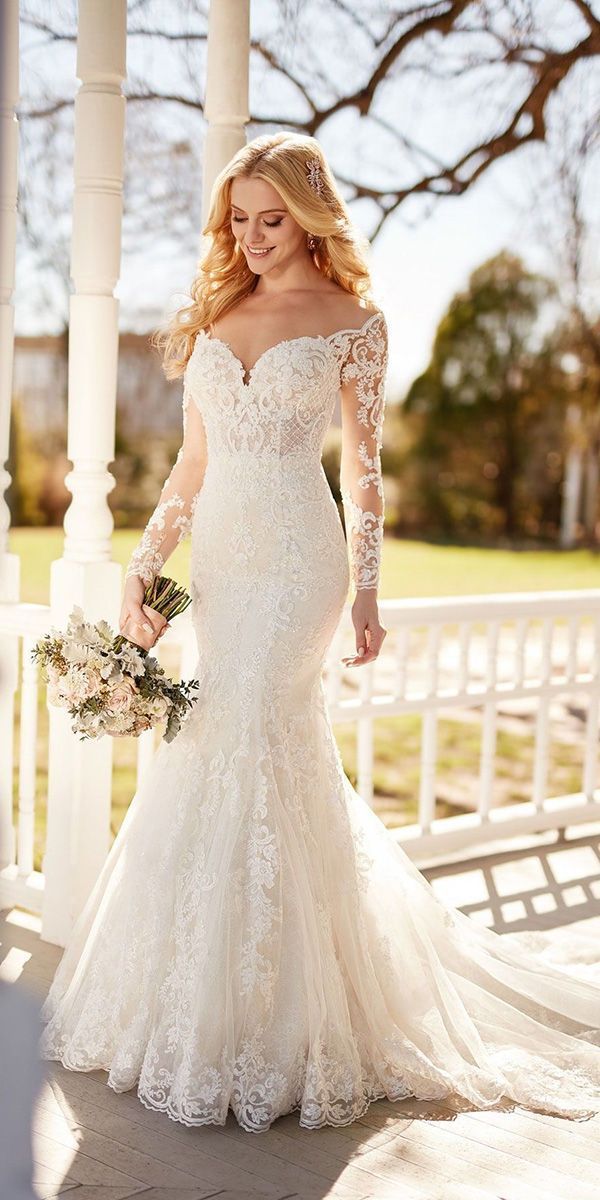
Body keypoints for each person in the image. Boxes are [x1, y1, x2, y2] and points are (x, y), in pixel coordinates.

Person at [39, 131, 600, 1133]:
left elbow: (370, 478)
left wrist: (371, 594)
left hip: (302, 563)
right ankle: (199, 1011)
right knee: (211, 747)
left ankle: (281, 1027)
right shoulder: (214, 315)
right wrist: (140, 568)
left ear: (308, 217)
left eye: (272, 219)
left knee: (253, 733)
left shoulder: (356, 324)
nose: (253, 237)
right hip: (223, 561)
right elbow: (188, 470)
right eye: (240, 220)